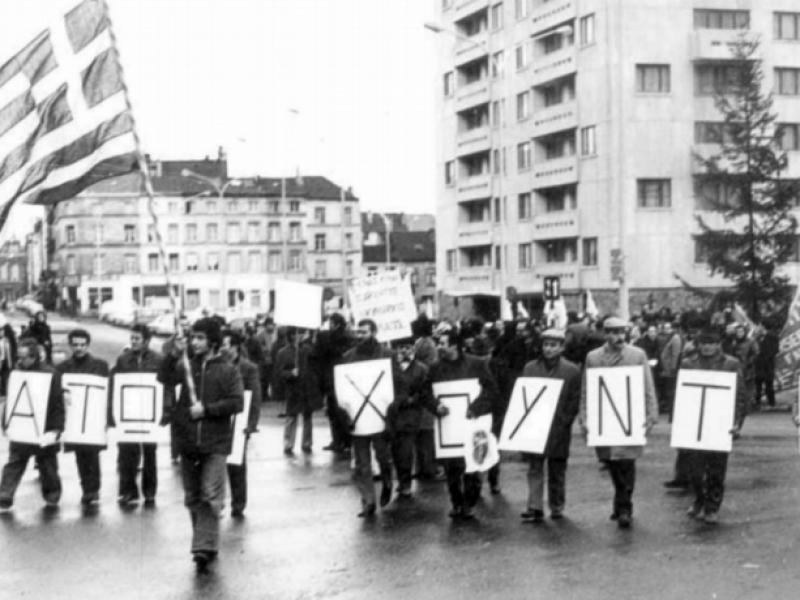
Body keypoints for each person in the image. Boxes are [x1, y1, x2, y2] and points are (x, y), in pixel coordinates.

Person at [158, 317, 243, 572]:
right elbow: (164, 378)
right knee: (192, 496)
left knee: (210, 494)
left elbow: (236, 402)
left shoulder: (227, 369)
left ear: (213, 341)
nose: (194, 342)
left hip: (215, 443)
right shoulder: (186, 365)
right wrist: (173, 353)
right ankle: (205, 541)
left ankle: (203, 546)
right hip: (187, 441)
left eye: (200, 338)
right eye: (192, 337)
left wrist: (206, 410)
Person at [580, 316, 658, 529]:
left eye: (621, 332)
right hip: (605, 417)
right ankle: (620, 499)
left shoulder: (637, 355)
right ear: (605, 334)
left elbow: (647, 386)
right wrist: (584, 415)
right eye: (613, 332)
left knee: (628, 461)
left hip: (629, 417)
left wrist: (652, 413)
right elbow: (587, 388)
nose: (618, 337)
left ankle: (625, 507)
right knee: (612, 461)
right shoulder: (593, 357)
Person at [429, 325, 500, 520]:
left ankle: (469, 502)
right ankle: (456, 502)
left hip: (472, 423)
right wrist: (436, 406)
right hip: (449, 428)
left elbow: (491, 390)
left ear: (455, 346)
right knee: (451, 467)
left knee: (472, 463)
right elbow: (425, 393)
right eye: (438, 344)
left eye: (443, 344)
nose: (440, 347)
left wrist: (475, 408)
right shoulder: (435, 368)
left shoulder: (476, 364)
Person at [680, 328, 745, 524]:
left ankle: (712, 506)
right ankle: (699, 499)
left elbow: (740, 395)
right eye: (703, 343)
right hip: (695, 422)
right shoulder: (688, 363)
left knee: (716, 469)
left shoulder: (731, 364)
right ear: (698, 345)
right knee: (695, 470)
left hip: (719, 421)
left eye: (712, 343)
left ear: (719, 345)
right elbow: (681, 393)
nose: (707, 347)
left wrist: (737, 422)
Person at [519, 329, 581, 523]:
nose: (548, 349)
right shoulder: (530, 368)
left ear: (562, 348)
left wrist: (564, 421)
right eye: (546, 344)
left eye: (553, 345)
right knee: (535, 466)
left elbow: (574, 399)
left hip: (559, 426)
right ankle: (535, 506)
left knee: (557, 468)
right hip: (536, 425)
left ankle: (556, 506)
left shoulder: (571, 371)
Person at [0, 338, 64, 510]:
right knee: (15, 462)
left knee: (47, 464)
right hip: (22, 427)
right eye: (18, 357)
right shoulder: (16, 373)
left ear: (34, 357)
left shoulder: (51, 374)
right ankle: (5, 494)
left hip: (45, 427)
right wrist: (6, 422)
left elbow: (58, 403)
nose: (20, 361)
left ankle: (52, 495)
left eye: (23, 357)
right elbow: (11, 400)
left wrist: (57, 428)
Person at [342, 319, 397, 517]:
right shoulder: (348, 358)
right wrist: (345, 413)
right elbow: (342, 389)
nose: (359, 336)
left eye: (364, 332)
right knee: (362, 463)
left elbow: (397, 385)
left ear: (374, 332)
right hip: (358, 417)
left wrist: (391, 410)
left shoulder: (388, 356)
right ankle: (368, 501)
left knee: (382, 455)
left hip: (380, 416)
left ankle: (387, 478)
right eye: (358, 332)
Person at [56, 329, 109, 506]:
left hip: (93, 418)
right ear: (70, 345)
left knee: (92, 455)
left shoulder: (100, 366)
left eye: (82, 345)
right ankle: (87, 488)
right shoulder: (63, 368)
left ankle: (93, 490)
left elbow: (106, 393)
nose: (79, 348)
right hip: (74, 419)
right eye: (75, 345)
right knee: (80, 455)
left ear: (88, 345)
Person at [113, 324, 163, 506]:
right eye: (131, 338)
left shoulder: (158, 360)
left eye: (137, 339)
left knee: (150, 453)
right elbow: (116, 385)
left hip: (150, 413)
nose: (133, 342)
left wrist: (164, 410)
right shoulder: (123, 360)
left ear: (147, 341)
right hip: (129, 412)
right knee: (127, 453)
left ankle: (150, 491)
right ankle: (128, 491)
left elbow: (165, 386)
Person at [220, 330, 261, 517]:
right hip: (219, 417)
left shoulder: (248, 368)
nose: (222, 348)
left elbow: (255, 398)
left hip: (239, 421)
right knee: (217, 462)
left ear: (235, 346)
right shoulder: (217, 365)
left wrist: (251, 423)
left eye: (225, 344)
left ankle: (238, 502)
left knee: (236, 464)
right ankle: (218, 501)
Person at [386, 336, 431, 499]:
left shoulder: (421, 368)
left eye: (407, 347)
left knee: (405, 449)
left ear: (413, 349)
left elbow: (425, 391)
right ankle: (401, 479)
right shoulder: (390, 367)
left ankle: (405, 483)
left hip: (411, 414)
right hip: (393, 413)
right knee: (395, 450)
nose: (404, 350)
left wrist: (413, 400)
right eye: (400, 347)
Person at [275, 327, 322, 456]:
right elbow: (279, 372)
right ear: (291, 336)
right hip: (293, 389)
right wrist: (290, 373)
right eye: (297, 334)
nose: (300, 336)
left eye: (301, 333)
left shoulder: (308, 350)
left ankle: (307, 443)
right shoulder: (282, 353)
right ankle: (288, 443)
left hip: (306, 387)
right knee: (291, 416)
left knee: (307, 416)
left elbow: (315, 366)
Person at [315, 313, 353, 456]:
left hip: (335, 379)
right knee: (334, 412)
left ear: (336, 324)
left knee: (338, 413)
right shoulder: (341, 337)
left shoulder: (335, 338)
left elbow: (323, 352)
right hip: (334, 380)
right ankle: (340, 441)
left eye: (331, 323)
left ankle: (342, 441)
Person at [754, 324, 778, 410]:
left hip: (767, 365)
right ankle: (757, 402)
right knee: (758, 385)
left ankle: (771, 403)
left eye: (760, 326)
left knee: (769, 385)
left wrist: (766, 357)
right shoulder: (757, 337)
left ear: (763, 327)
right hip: (758, 365)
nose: (758, 328)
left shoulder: (772, 336)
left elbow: (775, 350)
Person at [0, 313, 17, 396]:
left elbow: (12, 349)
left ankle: (4, 391)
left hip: (6, 361)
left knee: (5, 377)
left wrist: (12, 362)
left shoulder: (7, 338)